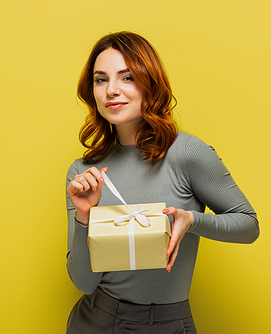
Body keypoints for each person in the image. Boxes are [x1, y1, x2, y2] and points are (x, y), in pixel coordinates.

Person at [65, 31, 259, 333]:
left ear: (149, 83)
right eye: (101, 79)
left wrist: (191, 220)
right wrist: (84, 216)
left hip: (169, 322)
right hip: (97, 320)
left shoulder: (188, 153)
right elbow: (84, 283)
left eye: (126, 77)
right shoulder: (84, 173)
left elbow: (249, 226)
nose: (111, 90)